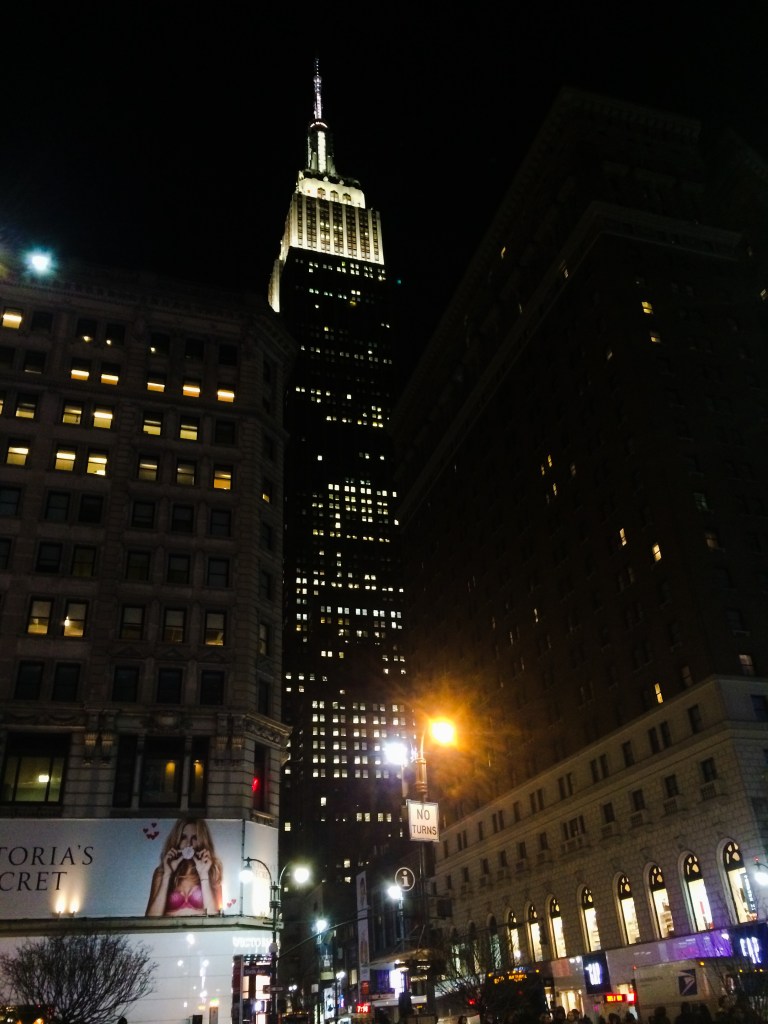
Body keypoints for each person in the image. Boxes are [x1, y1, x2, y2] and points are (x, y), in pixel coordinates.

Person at [145, 816, 223, 917]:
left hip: (200, 931)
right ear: (177, 840)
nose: (188, 844)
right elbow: (151, 920)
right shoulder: (162, 872)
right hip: (169, 931)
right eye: (183, 837)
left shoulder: (212, 871)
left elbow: (215, 918)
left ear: (202, 841)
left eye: (195, 838)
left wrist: (204, 876)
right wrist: (167, 876)